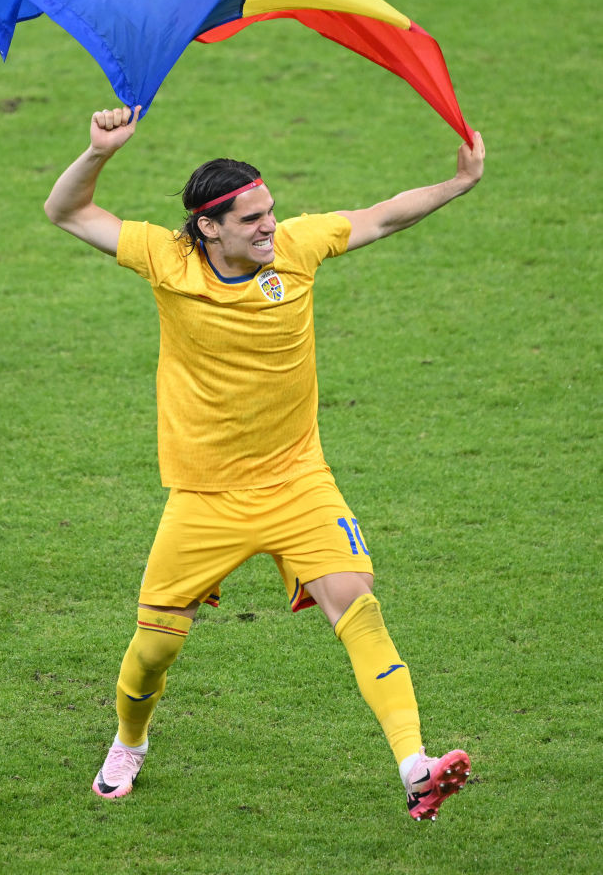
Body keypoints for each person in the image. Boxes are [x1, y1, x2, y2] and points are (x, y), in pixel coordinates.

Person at [44, 105, 485, 821]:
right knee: (154, 650)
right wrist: (98, 152)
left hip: (298, 482)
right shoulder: (168, 260)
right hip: (204, 497)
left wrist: (458, 182)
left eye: (270, 211)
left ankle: (416, 768)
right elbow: (65, 211)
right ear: (208, 227)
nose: (269, 227)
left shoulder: (296, 249)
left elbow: (380, 217)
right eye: (251, 219)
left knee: (360, 608)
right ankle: (129, 741)